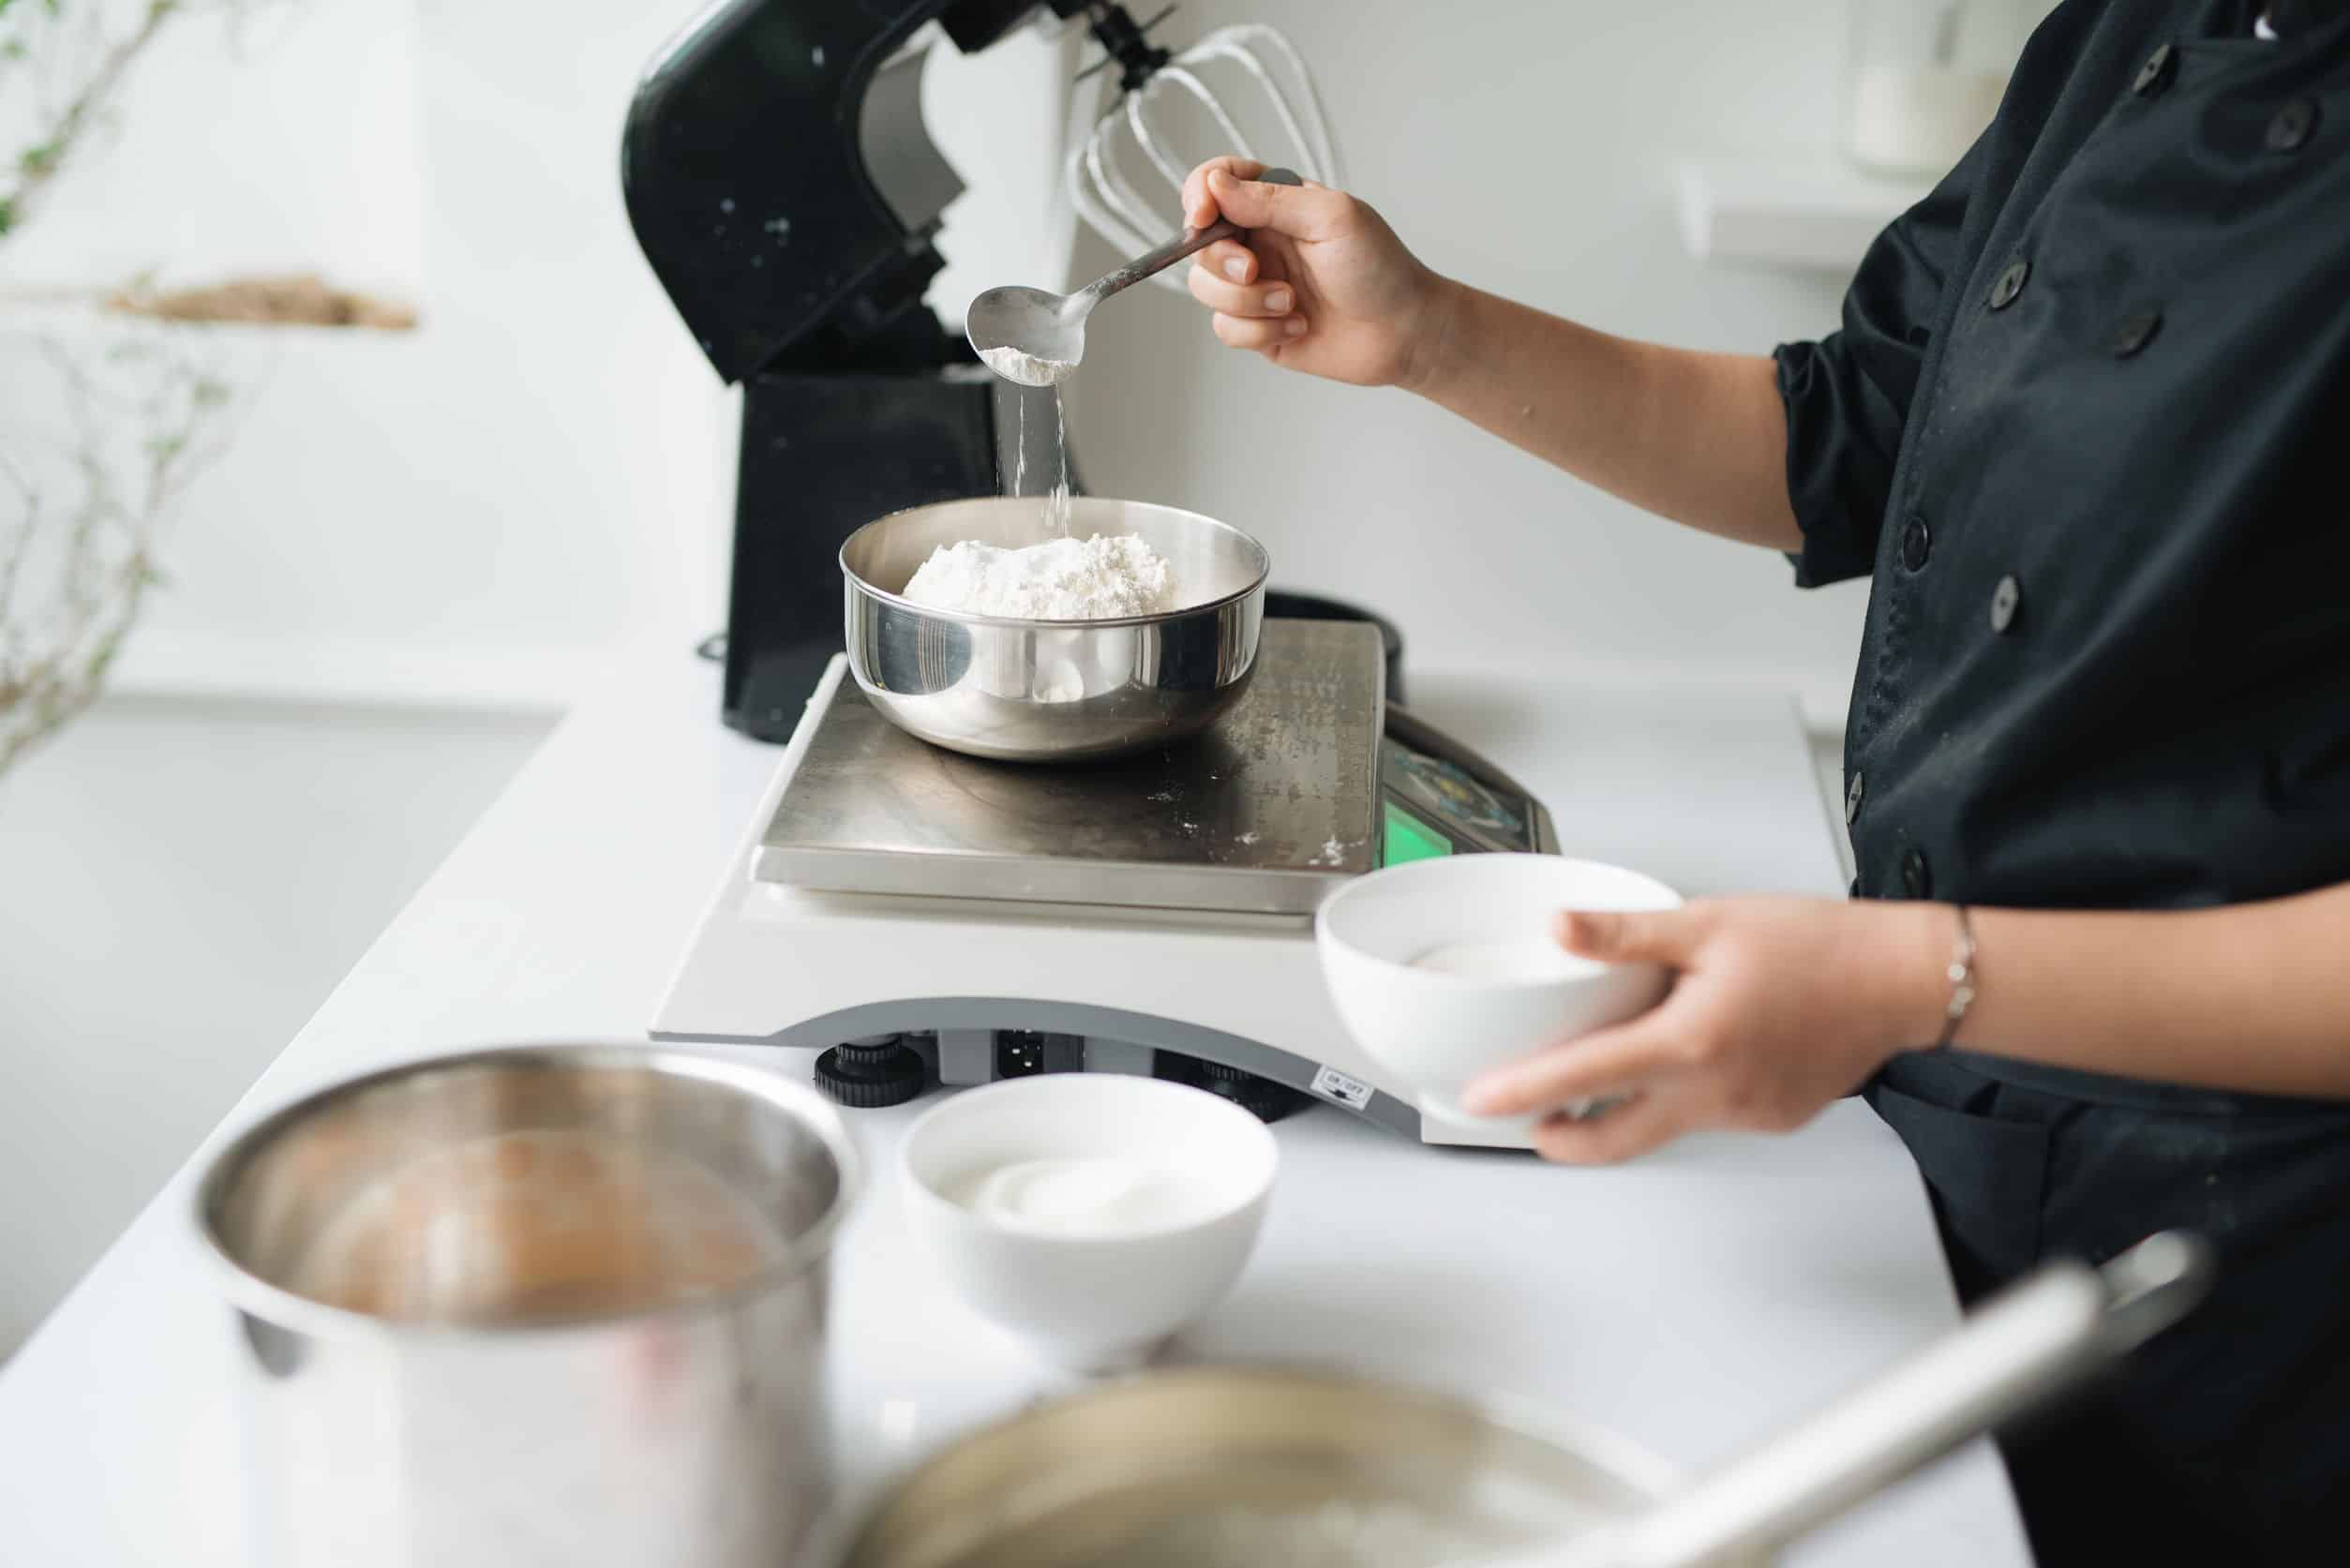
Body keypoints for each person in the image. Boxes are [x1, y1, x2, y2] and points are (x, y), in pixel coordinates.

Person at [1178, 1, 2348, 1560]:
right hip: (1970, 1129)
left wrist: (1913, 976)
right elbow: (1851, 427)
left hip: (2257, 1271)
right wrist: (1429, 332)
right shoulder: (2138, 28)